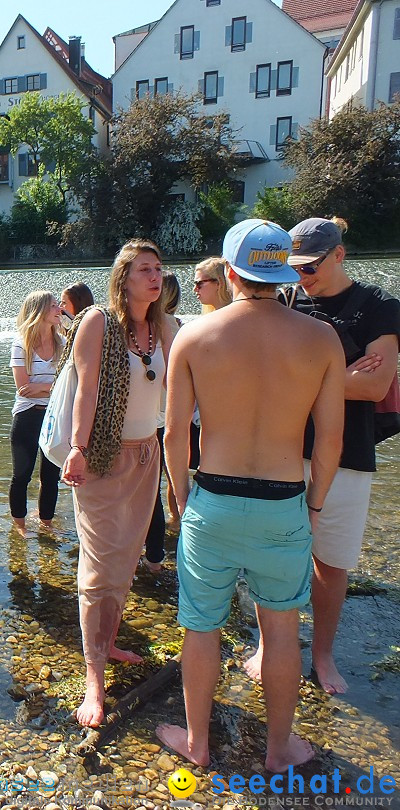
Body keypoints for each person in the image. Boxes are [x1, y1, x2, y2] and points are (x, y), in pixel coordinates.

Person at [158, 218, 345, 771]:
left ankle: (197, 744)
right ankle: (279, 749)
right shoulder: (321, 339)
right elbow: (330, 439)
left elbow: (175, 435)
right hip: (284, 501)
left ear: (231, 272)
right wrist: (312, 504)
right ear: (282, 269)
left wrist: (181, 496)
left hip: (212, 498)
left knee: (200, 625)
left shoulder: (195, 335)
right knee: (282, 628)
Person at [244, 217, 400, 695]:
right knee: (273, 556)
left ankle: (323, 654)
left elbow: (376, 384)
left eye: (309, 267)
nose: (301, 276)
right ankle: (269, 648)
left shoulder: (378, 306)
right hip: (283, 449)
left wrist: (300, 377)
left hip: (349, 453)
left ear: (339, 255)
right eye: (294, 267)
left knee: (331, 562)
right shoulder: (286, 299)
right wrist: (339, 375)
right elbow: (258, 373)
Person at [60, 240, 174, 727]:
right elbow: (86, 390)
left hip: (148, 454)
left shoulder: (164, 327)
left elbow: (198, 367)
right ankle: (93, 677)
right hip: (102, 457)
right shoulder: (98, 322)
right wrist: (80, 448)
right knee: (99, 567)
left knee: (125, 562)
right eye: (145, 269)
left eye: (159, 268)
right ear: (124, 277)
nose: (155, 276)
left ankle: (108, 642)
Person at [8, 290, 64, 534]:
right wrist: (53, 388)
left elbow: (68, 385)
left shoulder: (63, 343)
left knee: (51, 475)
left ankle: (46, 523)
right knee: (22, 474)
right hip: (27, 416)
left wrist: (41, 387)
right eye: (53, 306)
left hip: (54, 416)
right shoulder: (22, 343)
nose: (59, 310)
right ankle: (19, 527)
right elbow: (23, 389)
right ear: (39, 311)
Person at [143, 272, 184, 571]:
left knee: (145, 490)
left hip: (151, 421)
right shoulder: (175, 326)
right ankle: (156, 555)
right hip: (161, 418)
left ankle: (150, 556)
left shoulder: (167, 326)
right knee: (155, 487)